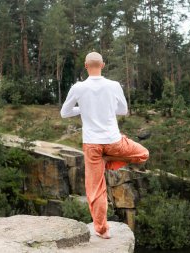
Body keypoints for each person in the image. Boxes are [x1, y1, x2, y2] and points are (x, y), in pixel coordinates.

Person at [60, 52, 149, 239]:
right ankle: (108, 160)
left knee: (96, 189)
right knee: (143, 154)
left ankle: (102, 230)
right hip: (114, 142)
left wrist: (83, 108)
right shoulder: (114, 86)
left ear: (86, 65)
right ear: (103, 65)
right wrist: (105, 107)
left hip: (92, 145)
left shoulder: (78, 87)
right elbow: (123, 110)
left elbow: (65, 113)